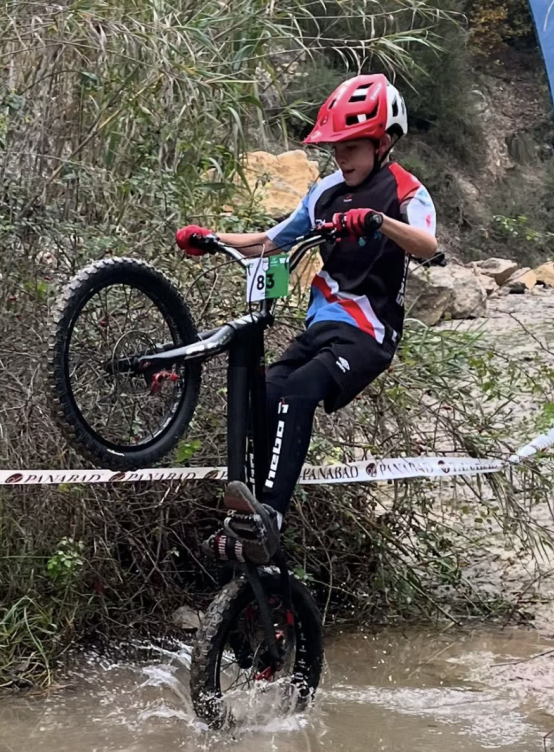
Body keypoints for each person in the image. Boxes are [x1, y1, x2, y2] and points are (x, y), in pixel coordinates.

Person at [175, 74, 438, 565]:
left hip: (368, 336)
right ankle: (247, 513)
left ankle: (271, 516)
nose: (342, 157)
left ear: (382, 143)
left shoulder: (404, 189)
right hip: (320, 329)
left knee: (301, 392)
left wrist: (378, 221)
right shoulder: (325, 192)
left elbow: (427, 245)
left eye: (352, 147)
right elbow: (272, 241)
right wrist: (212, 239)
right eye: (335, 148)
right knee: (266, 392)